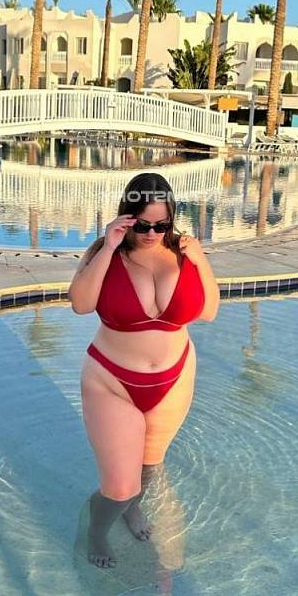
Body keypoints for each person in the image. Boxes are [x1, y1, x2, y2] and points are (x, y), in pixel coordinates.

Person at [69, 172, 220, 569]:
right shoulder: (106, 251)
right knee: (119, 487)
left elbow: (209, 311)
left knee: (150, 466)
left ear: (172, 219)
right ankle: (97, 529)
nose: (152, 233)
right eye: (143, 225)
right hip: (111, 381)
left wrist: (200, 259)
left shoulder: (184, 253)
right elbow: (81, 304)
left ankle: (132, 509)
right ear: (127, 216)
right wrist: (109, 246)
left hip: (174, 376)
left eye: (161, 225)